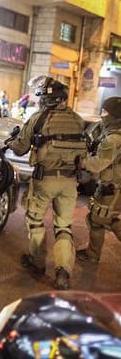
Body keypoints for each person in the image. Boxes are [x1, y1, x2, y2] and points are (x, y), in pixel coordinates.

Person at [7, 75, 87, 290]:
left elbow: (20, 147)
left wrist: (10, 141)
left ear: (44, 99)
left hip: (45, 179)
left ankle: (38, 262)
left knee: (35, 220)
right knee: (64, 227)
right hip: (70, 181)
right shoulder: (78, 119)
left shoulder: (39, 118)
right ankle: (63, 271)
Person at [75, 97, 121, 264]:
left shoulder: (113, 139)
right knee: (101, 219)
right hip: (112, 186)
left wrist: (81, 161)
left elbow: (98, 164)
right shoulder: (111, 134)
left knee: (99, 220)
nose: (102, 115)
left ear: (114, 115)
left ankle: (92, 255)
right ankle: (92, 254)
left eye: (105, 112)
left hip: (112, 188)